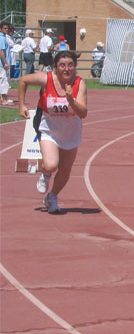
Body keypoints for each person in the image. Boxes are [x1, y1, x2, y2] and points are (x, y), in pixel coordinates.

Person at [18, 51, 88, 214]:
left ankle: (52, 197)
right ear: (56, 67)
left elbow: (83, 113)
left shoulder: (80, 84)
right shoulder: (46, 79)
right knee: (51, 164)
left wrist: (71, 100)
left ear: (75, 67)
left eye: (70, 65)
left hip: (70, 130)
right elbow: (23, 81)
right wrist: (21, 105)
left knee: (65, 170)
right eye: (62, 65)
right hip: (47, 127)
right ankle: (45, 172)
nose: (66, 68)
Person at [0, 22, 10, 105]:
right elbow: (1, 51)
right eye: (5, 28)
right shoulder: (2, 38)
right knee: (4, 80)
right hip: (2, 64)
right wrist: (5, 63)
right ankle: (3, 99)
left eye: (7, 28)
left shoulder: (3, 37)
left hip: (1, 63)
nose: (7, 30)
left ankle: (2, 98)